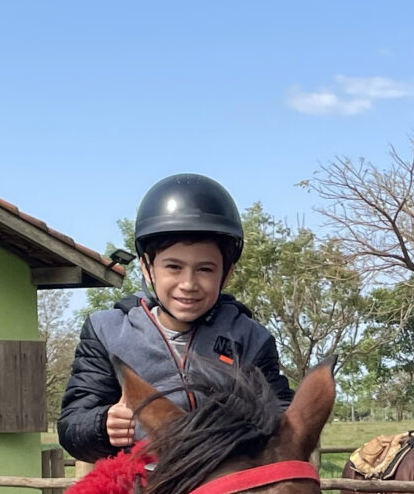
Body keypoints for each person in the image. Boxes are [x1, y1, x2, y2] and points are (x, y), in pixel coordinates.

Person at [58, 174, 290, 462]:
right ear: (147, 268)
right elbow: (72, 423)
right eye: (174, 267)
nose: (188, 284)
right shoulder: (106, 331)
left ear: (226, 273)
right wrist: (101, 425)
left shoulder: (250, 338)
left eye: (205, 269)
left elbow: (281, 415)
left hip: (224, 479)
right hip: (140, 479)